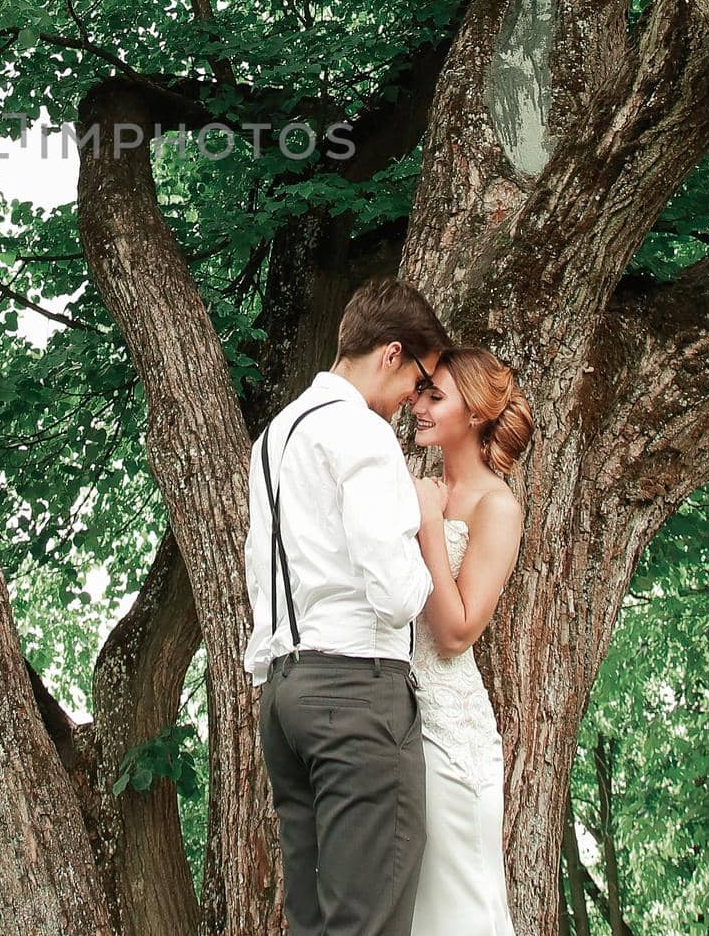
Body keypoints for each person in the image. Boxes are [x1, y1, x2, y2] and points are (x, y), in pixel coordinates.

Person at [245, 274, 451, 936]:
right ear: (390, 353)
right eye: (419, 379)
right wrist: (427, 557)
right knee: (369, 915)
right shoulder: (361, 434)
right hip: (354, 693)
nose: (412, 400)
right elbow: (395, 594)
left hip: (283, 695)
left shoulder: (274, 437)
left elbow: (259, 565)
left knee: (316, 923)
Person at [406, 347, 534, 936]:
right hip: (399, 723)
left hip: (452, 732)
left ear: (476, 414)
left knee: (464, 909)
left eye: (436, 397)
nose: (419, 404)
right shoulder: (419, 488)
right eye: (422, 392)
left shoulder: (497, 506)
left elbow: (457, 632)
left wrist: (428, 523)